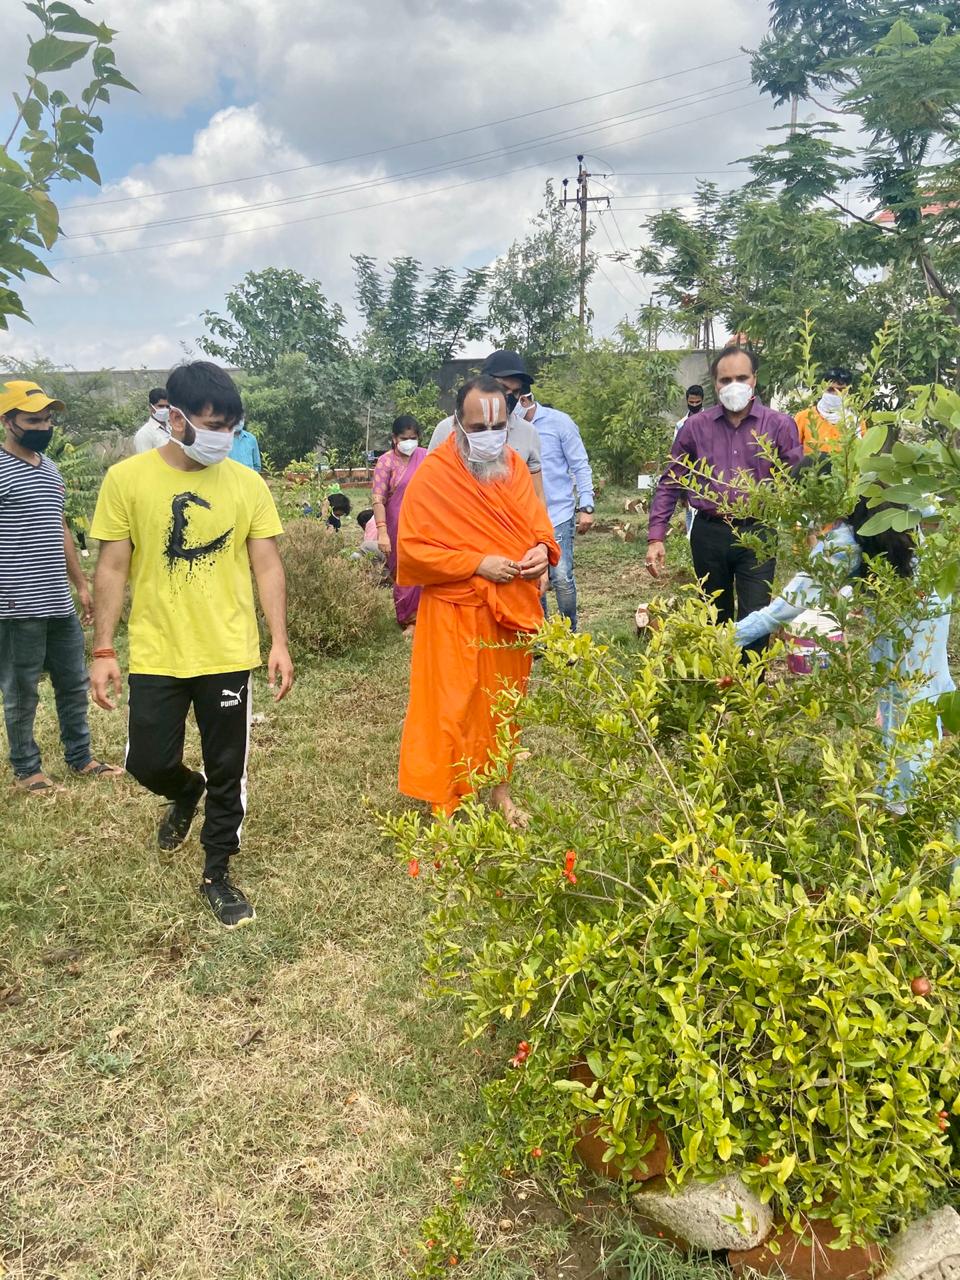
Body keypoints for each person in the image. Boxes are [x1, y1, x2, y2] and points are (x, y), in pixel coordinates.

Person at [89, 361, 294, 929]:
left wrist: (279, 640)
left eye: (231, 426)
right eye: (212, 425)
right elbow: (112, 567)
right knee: (147, 761)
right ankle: (185, 790)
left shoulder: (247, 484)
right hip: (157, 648)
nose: (223, 437)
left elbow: (267, 564)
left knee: (229, 768)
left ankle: (217, 872)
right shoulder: (127, 480)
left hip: (227, 650)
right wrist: (103, 650)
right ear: (174, 419)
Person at [397, 376, 559, 824]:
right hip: (454, 611)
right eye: (479, 428)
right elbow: (413, 550)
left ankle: (500, 793)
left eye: (499, 426)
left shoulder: (513, 465)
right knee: (452, 706)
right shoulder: (435, 474)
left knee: (505, 703)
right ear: (457, 423)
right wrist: (476, 563)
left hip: (508, 608)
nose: (491, 436)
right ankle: (446, 801)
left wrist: (542, 549)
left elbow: (538, 523)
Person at [734, 497, 954, 809]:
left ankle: (907, 811)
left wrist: (722, 637)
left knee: (906, 715)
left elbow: (779, 611)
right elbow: (939, 509)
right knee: (921, 698)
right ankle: (916, 801)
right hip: (931, 612)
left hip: (906, 632)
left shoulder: (842, 543)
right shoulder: (902, 505)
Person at [0, 380, 121, 792]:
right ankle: (26, 770)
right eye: (33, 420)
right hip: (16, 604)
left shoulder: (49, 468)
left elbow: (61, 527)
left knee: (73, 683)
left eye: (47, 419)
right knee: (21, 691)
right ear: (8, 422)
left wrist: (80, 585)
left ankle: (80, 757)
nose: (44, 427)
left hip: (57, 600)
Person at [646, 346, 803, 650]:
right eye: (725, 380)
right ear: (715, 384)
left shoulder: (779, 425)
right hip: (709, 533)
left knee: (756, 618)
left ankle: (750, 678)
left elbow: (797, 479)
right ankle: (722, 676)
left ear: (754, 379)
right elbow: (671, 481)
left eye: (741, 378)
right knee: (714, 616)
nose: (734, 386)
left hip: (757, 533)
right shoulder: (695, 427)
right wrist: (656, 537)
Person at [513, 391, 594, 631]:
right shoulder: (507, 429)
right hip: (523, 517)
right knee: (532, 576)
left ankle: (570, 633)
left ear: (524, 400)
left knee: (561, 577)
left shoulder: (559, 423)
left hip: (558, 513)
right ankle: (542, 633)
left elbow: (579, 464)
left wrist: (586, 505)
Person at [428, 350, 545, 501]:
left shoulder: (528, 432)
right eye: (503, 388)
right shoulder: (447, 429)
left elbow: (537, 494)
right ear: (484, 385)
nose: (508, 397)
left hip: (512, 515)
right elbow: (430, 486)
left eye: (516, 391)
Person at [372, 415, 428, 634]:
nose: (409, 442)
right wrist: (382, 532)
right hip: (397, 525)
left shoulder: (426, 457)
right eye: (404, 438)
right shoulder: (386, 462)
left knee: (426, 567)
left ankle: (428, 615)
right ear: (394, 438)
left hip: (424, 523)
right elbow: (378, 499)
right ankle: (409, 620)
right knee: (404, 570)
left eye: (413, 438)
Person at [795, 367, 863, 455]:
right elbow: (792, 452)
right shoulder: (804, 417)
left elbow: (863, 453)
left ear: (848, 391)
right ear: (823, 389)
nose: (835, 394)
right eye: (830, 390)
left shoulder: (856, 421)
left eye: (840, 390)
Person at [674, 385, 706, 537]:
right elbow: (676, 453)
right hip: (687, 472)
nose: (694, 405)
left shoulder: (710, 421)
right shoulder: (681, 424)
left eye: (697, 402)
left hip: (707, 471)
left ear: (702, 401)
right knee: (689, 507)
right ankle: (690, 539)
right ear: (687, 401)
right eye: (691, 402)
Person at [133, 387, 171, 454]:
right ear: (151, 407)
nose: (165, 409)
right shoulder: (144, 434)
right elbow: (145, 459)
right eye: (161, 406)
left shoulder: (172, 428)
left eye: (167, 407)